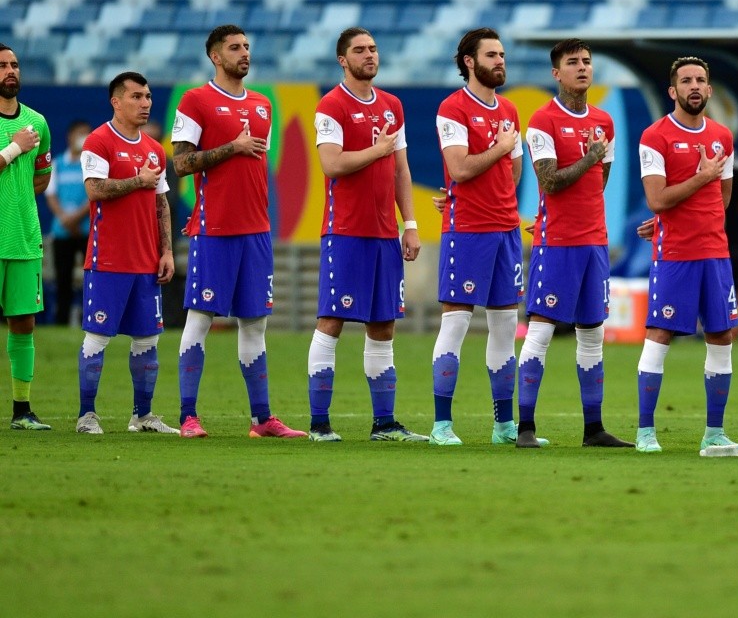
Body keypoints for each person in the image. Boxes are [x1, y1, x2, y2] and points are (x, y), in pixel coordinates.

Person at [170, 24, 305, 439]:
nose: (244, 53)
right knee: (200, 318)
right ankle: (187, 417)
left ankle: (261, 420)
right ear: (215, 56)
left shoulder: (264, 104)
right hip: (215, 229)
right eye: (234, 47)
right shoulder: (195, 101)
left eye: (247, 46)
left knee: (255, 323)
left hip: (257, 231)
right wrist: (232, 147)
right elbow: (181, 164)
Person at [305, 27, 427, 443]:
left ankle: (384, 424)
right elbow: (332, 164)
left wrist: (409, 225)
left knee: (383, 324)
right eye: (360, 50)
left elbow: (401, 170)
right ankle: (319, 424)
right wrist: (377, 150)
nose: (369, 55)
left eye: (373, 48)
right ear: (343, 60)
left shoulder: (393, 105)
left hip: (384, 234)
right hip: (346, 232)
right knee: (332, 320)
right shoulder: (331, 106)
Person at [515, 38, 633, 449]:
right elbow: (549, 181)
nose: (582, 68)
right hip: (558, 242)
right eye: (573, 62)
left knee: (592, 333)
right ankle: (525, 428)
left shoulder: (605, 121)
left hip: (594, 242)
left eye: (586, 61)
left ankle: (593, 429)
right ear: (556, 73)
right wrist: (588, 158)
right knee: (542, 330)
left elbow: (599, 182)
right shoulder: (542, 121)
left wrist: (591, 161)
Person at [634, 56, 738, 455]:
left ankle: (714, 432)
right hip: (675, 254)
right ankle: (645, 431)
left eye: (701, 80)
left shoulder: (722, 137)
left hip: (715, 252)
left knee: (722, 336)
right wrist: (700, 179)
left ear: (710, 90)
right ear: (673, 91)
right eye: (686, 81)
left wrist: (692, 199)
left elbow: (724, 197)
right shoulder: (655, 136)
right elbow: (656, 198)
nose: (694, 86)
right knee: (660, 335)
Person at [428, 28, 525, 446]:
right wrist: (501, 149)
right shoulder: (452, 108)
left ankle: (504, 426)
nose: (500, 61)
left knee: (505, 326)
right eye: (492, 54)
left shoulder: (509, 109)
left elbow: (516, 173)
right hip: (467, 230)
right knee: (457, 323)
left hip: (506, 230)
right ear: (470, 61)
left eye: (502, 54)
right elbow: (461, 169)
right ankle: (441, 425)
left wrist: (504, 154)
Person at [75, 72, 179, 435]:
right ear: (116, 102)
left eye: (148, 96)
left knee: (148, 339)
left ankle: (143, 416)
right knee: (98, 337)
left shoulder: (153, 149)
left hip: (146, 262)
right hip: (109, 260)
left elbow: (160, 202)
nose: (145, 102)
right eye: (136, 96)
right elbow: (94, 190)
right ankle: (86, 416)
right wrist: (138, 180)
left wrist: (166, 251)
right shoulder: (98, 142)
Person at [0, 43, 53, 430]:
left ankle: (22, 410)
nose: (10, 71)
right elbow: (19, 154)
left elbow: (41, 178)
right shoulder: (21, 135)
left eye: (15, 65)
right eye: (2, 66)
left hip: (22, 239)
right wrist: (13, 147)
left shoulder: (38, 123)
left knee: (23, 324)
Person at [44, 120, 92, 325]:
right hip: (62, 231)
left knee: (92, 281)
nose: (83, 138)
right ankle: (61, 322)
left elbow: (94, 195)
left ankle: (92, 320)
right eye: (80, 134)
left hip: (88, 230)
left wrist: (76, 218)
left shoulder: (92, 164)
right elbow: (51, 194)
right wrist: (65, 218)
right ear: (70, 137)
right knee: (63, 279)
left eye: (87, 134)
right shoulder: (57, 164)